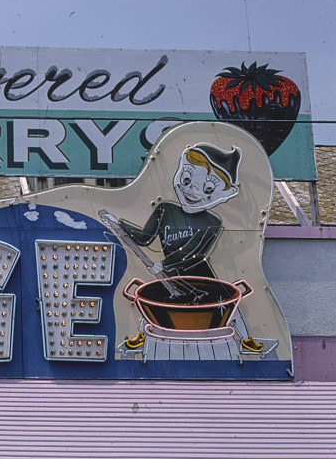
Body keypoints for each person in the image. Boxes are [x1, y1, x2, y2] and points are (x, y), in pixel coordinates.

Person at [101, 143, 263, 353]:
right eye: (187, 178)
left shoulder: (212, 222)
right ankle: (143, 335)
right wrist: (119, 224)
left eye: (208, 188)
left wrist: (163, 263)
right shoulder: (165, 210)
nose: (192, 189)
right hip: (170, 273)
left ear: (227, 194)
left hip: (200, 276)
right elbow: (144, 238)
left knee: (228, 301)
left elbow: (193, 253)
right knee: (153, 300)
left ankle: (246, 339)